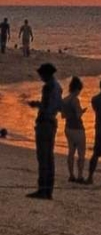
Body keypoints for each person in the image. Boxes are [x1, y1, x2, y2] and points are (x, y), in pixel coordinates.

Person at [27, 62, 62, 200]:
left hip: (45, 124)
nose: (40, 76)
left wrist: (38, 107)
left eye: (41, 74)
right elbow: (57, 106)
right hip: (52, 122)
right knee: (49, 157)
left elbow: (46, 105)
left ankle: (42, 190)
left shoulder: (48, 87)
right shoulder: (58, 86)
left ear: (47, 74)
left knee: (43, 157)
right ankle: (48, 190)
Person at [61, 76, 86, 183]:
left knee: (71, 152)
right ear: (77, 89)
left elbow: (63, 115)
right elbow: (78, 115)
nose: (79, 93)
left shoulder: (64, 99)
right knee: (81, 153)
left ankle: (71, 175)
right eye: (79, 90)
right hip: (77, 128)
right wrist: (82, 111)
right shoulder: (75, 100)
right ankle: (80, 176)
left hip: (68, 128)